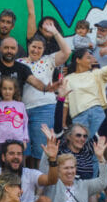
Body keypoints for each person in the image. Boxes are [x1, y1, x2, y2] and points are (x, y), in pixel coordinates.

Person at [19, 9, 69, 164]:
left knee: (41, 151)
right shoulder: (19, 62)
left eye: (39, 48)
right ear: (29, 46)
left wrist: (54, 32)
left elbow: (67, 51)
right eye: (33, 47)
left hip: (45, 108)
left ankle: (41, 183)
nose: (36, 50)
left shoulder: (48, 60)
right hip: (23, 110)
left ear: (43, 50)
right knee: (23, 149)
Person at [62, 47, 107, 138]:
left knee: (97, 144)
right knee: (80, 146)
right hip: (79, 117)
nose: (91, 60)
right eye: (88, 58)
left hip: (97, 114)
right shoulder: (68, 79)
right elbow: (65, 103)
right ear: (78, 60)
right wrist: (63, 124)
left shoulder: (95, 74)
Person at [0, 77, 29, 159]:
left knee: (16, 167)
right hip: (0, 143)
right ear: (0, 89)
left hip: (18, 142)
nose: (7, 91)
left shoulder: (20, 106)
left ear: (14, 90)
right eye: (4, 88)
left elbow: (25, 125)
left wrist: (24, 140)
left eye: (10, 89)